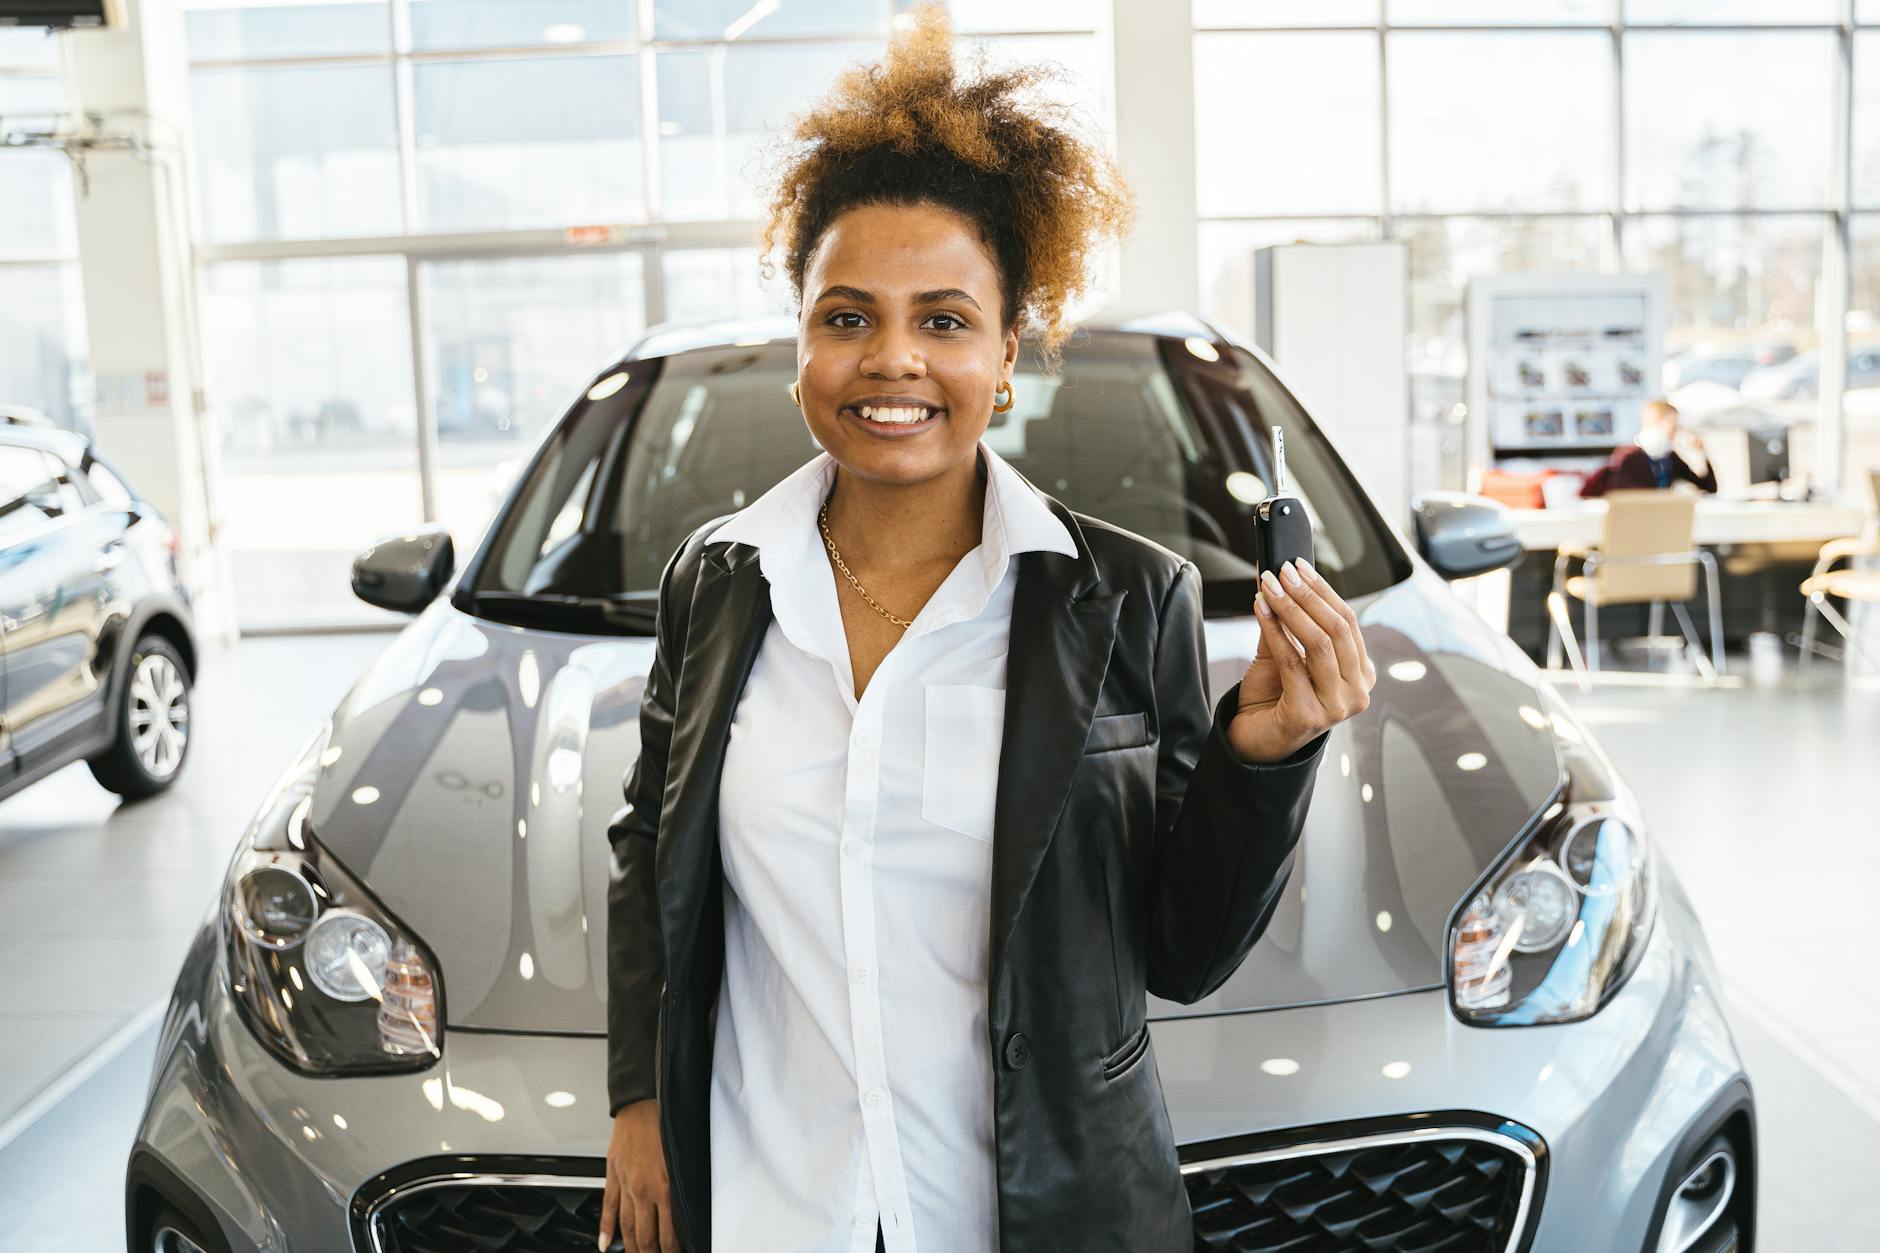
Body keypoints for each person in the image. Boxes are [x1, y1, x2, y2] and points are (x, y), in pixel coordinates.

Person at [598, 8, 1375, 1252]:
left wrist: (1263, 752)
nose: (889, 359)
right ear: (797, 341)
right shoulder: (718, 580)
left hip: (1029, 1216)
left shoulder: (1128, 598)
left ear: (1008, 353)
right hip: (769, 1205)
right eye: (844, 316)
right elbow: (651, 844)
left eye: (944, 320)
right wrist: (638, 1094)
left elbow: (1178, 951)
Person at [1578, 398, 1718, 497]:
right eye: (1673, 425)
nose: (1677, 431)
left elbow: (1709, 488)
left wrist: (1702, 453)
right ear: (1657, 422)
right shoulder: (1628, 457)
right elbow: (1628, 496)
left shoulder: (1669, 459)